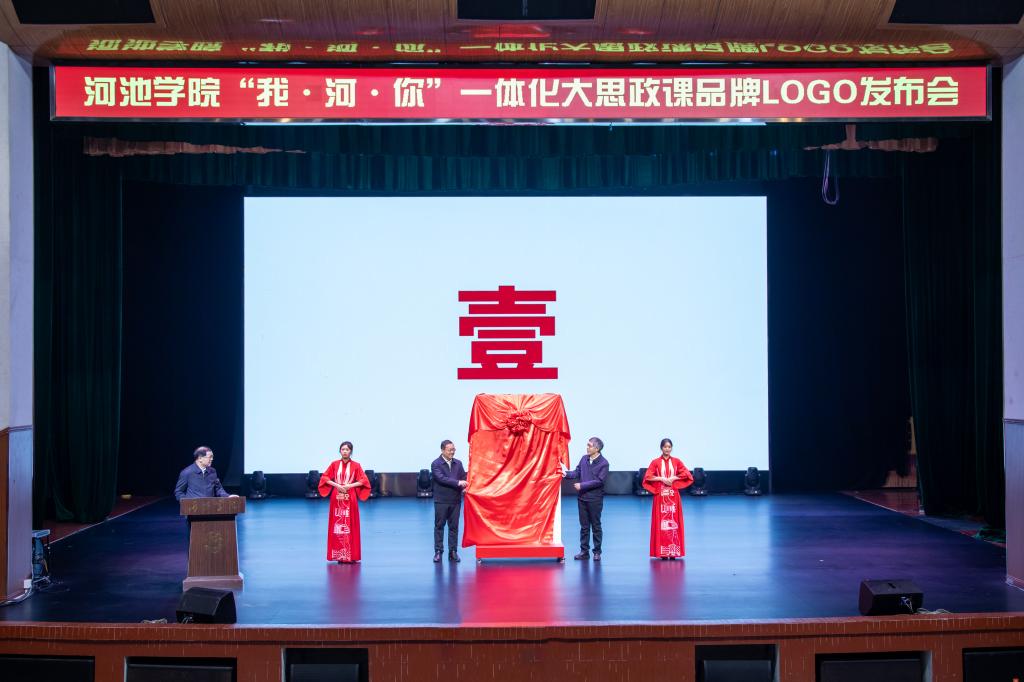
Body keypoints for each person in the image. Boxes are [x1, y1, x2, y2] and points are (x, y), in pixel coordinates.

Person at [317, 441, 370, 563]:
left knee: (350, 524)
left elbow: (364, 480)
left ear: (351, 451)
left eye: (347, 449)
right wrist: (336, 485)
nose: (345, 451)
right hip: (337, 497)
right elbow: (324, 477)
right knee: (337, 526)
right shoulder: (334, 464)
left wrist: (349, 485)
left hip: (350, 496)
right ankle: (339, 555)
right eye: (343, 449)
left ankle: (351, 555)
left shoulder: (356, 465)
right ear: (340, 451)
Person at [642, 438, 693, 560]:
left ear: (671, 448)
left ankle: (673, 552)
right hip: (660, 495)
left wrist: (674, 478)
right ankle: (663, 552)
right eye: (665, 447)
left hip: (673, 496)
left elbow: (687, 474)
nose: (667, 449)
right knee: (661, 523)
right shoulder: (655, 462)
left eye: (669, 447)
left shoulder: (676, 461)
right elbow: (648, 477)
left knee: (674, 523)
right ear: (661, 448)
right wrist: (661, 479)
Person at [563, 436, 609, 561]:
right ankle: (584, 551)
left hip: (595, 499)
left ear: (597, 448)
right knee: (584, 527)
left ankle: (597, 552)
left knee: (596, 526)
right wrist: (565, 473)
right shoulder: (584, 459)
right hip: (582, 498)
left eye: (589, 445)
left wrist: (582, 485)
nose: (587, 447)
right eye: (587, 445)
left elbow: (599, 481)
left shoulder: (604, 463)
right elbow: (577, 472)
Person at [430, 439, 468, 563]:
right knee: (439, 526)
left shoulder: (458, 463)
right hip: (441, 500)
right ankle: (438, 551)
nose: (452, 452)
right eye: (450, 450)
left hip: (455, 500)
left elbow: (463, 477)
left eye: (453, 449)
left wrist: (464, 487)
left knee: (454, 527)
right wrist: (458, 483)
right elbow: (441, 479)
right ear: (442, 450)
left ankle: (453, 552)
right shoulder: (436, 464)